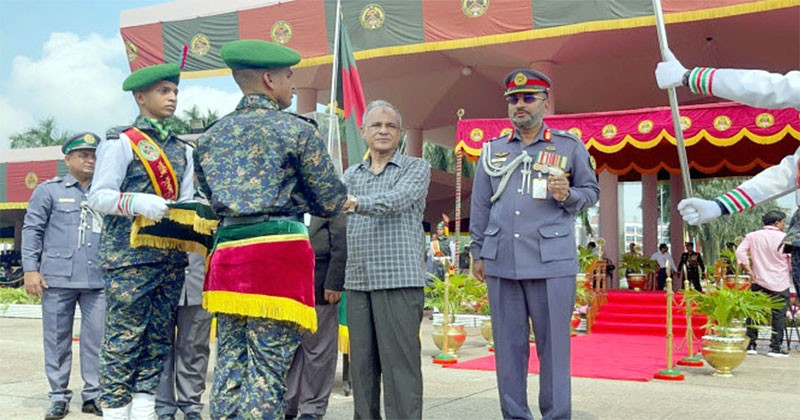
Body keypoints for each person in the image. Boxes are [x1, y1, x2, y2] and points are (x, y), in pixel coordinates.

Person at [193, 40, 346, 419]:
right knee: (267, 367)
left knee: (230, 362)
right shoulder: (296, 131)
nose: (293, 85)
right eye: (288, 76)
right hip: (276, 257)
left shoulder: (211, 135)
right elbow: (329, 200)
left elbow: (208, 196)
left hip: (228, 255)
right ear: (268, 79)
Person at [470, 69, 600, 420]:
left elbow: (591, 193)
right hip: (502, 260)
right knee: (508, 351)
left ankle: (556, 416)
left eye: (528, 97)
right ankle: (514, 416)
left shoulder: (568, 146)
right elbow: (481, 205)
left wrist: (568, 194)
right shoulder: (492, 150)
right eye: (513, 99)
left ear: (545, 101)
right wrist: (477, 252)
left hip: (550, 262)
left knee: (554, 349)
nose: (520, 105)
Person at [88, 63, 195, 418]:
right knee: (124, 340)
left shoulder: (183, 150)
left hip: (169, 260)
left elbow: (188, 200)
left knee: (157, 340)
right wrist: (135, 201)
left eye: (175, 92)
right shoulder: (121, 140)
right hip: (128, 259)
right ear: (140, 97)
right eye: (164, 91)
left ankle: (145, 409)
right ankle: (116, 411)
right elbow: (99, 196)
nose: (172, 98)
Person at [342, 99, 431, 419]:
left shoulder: (416, 168)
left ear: (401, 133)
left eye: (390, 126)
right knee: (362, 368)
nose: (383, 131)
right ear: (363, 132)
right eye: (376, 126)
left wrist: (353, 203)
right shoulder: (350, 174)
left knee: (400, 369)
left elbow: (397, 200)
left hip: (398, 280)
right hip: (357, 281)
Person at [22, 133, 106, 419]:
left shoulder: (106, 191)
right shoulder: (49, 191)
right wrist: (30, 269)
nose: (90, 160)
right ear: (67, 159)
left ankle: (94, 395)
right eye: (83, 155)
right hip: (56, 279)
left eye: (93, 155)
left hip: (99, 279)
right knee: (57, 340)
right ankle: (58, 396)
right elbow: (32, 230)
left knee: (97, 341)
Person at [285, 213, 347, 420]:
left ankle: (312, 408)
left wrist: (334, 282)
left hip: (320, 284)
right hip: (286, 284)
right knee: (288, 349)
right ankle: (287, 404)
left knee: (319, 350)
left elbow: (341, 242)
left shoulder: (328, 199)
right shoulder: (286, 196)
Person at [154, 252, 212, 420]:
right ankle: (164, 406)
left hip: (200, 283)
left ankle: (191, 405)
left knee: (195, 348)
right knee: (160, 349)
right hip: (162, 284)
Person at [735, 210, 791, 357]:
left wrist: (748, 270)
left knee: (754, 312)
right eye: (784, 222)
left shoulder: (752, 236)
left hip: (758, 280)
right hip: (780, 282)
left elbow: (740, 252)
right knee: (778, 315)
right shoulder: (786, 238)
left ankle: (751, 344)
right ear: (777, 222)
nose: (785, 225)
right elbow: (790, 259)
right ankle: (775, 348)